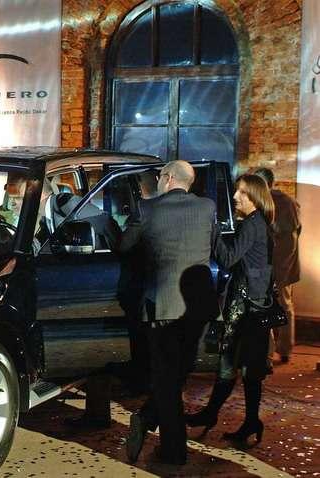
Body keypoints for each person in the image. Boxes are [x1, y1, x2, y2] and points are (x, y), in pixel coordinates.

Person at [119, 160, 218, 465]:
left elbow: (124, 246)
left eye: (161, 177)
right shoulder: (207, 207)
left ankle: (172, 449)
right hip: (197, 307)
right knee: (177, 375)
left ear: (169, 178)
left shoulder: (148, 209)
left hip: (162, 305)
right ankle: (150, 421)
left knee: (166, 380)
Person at [186, 174, 275, 445]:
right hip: (253, 306)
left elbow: (227, 259)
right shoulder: (260, 223)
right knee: (241, 367)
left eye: (242, 193)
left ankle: (227, 417)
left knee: (236, 366)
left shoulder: (251, 225)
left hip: (246, 309)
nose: (235, 197)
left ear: (255, 197)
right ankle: (235, 418)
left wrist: (212, 230)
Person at [254, 167, 300, 364]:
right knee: (274, 306)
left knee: (280, 305)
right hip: (271, 265)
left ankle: (280, 349)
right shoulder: (276, 202)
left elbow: (289, 240)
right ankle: (272, 351)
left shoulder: (283, 203)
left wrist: (278, 269)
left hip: (278, 265)